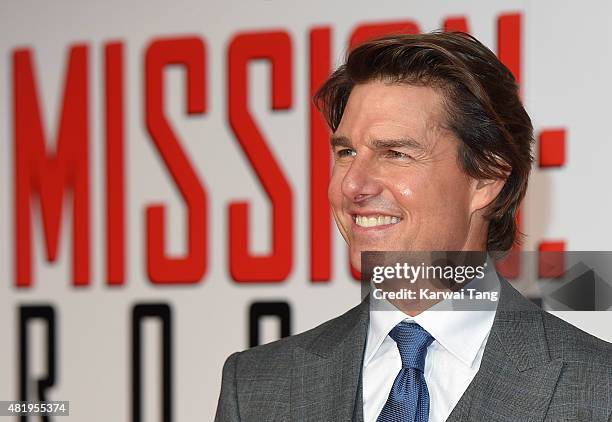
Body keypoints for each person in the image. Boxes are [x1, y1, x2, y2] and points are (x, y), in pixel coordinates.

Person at [215, 32, 612, 421]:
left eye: (396, 153)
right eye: (346, 151)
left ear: (487, 179)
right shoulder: (254, 387)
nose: (352, 185)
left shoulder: (599, 391)